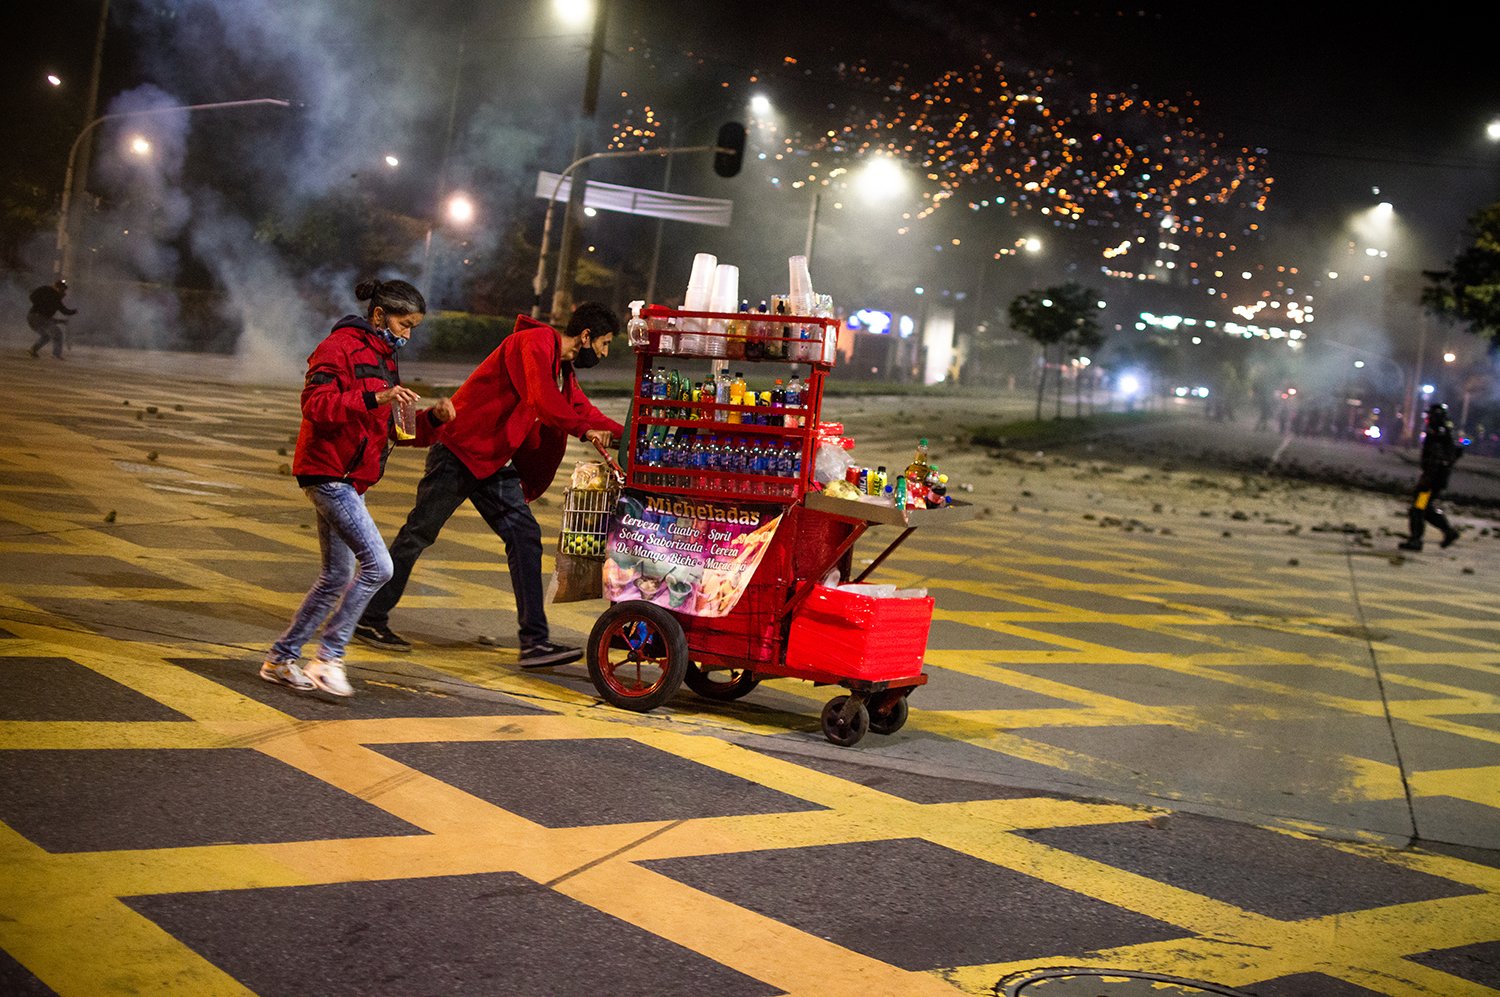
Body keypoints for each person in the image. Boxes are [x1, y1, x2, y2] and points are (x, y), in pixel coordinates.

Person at [354, 301, 623, 668]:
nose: (605, 353)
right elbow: (542, 401)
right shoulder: (535, 342)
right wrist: (584, 430)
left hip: (493, 462)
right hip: (458, 451)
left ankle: (534, 643)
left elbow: (582, 410)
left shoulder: (563, 369)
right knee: (418, 533)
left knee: (524, 538)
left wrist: (632, 436)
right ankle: (370, 618)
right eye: (605, 344)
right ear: (586, 336)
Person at [261, 278, 455, 696]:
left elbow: (396, 432)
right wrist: (375, 398)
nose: (407, 334)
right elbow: (315, 406)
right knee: (379, 567)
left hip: (350, 480)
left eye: (413, 328)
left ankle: (280, 658)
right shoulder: (338, 348)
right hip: (328, 475)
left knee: (335, 576)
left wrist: (434, 420)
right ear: (380, 315)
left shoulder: (386, 359)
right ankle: (329, 658)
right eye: (404, 325)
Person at [1398, 402, 1466, 552]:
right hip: (1436, 480)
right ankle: (1449, 532)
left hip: (1431, 481)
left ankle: (1416, 540)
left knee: (1418, 508)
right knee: (1425, 508)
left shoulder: (1437, 433)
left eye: (1430, 415)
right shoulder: (1445, 432)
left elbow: (1435, 460)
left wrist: (1427, 480)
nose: (1428, 418)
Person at [27, 279, 76, 359]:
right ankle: (56, 355)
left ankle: (33, 349)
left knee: (46, 336)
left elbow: (49, 319)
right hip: (37, 317)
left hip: (32, 318)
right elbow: (64, 311)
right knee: (57, 333)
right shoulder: (50, 293)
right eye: (63, 289)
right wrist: (74, 311)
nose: (64, 292)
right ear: (58, 288)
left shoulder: (55, 298)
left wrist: (65, 319)